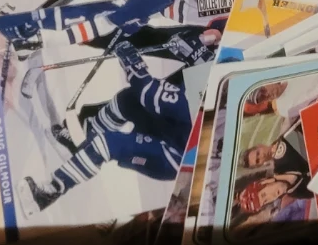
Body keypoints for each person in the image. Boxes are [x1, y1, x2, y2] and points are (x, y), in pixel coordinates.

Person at [21, 40, 192, 213]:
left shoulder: (195, 102)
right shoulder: (202, 83)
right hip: (175, 132)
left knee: (110, 143)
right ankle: (83, 145)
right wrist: (196, 51)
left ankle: (48, 193)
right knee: (130, 101)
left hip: (170, 157)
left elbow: (149, 93)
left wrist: (133, 63)